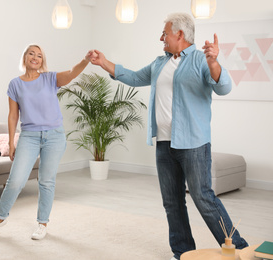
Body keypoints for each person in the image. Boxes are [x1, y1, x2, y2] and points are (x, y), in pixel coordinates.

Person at [90, 13, 248, 259]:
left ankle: (238, 248)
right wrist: (104, 62)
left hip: (194, 144)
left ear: (180, 34)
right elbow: (132, 77)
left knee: (203, 198)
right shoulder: (159, 63)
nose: (161, 38)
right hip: (164, 144)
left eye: (165, 33)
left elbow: (224, 87)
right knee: (172, 202)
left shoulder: (200, 59)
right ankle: (182, 252)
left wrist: (214, 62)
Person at [0, 44, 95, 240]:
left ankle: (42, 224)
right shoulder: (15, 84)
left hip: (54, 136)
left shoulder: (50, 79)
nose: (35, 57)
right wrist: (11, 143)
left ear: (42, 61)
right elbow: (13, 116)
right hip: (29, 136)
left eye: (39, 55)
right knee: (15, 181)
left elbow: (72, 73)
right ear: (24, 58)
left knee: (46, 181)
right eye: (31, 53)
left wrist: (85, 60)